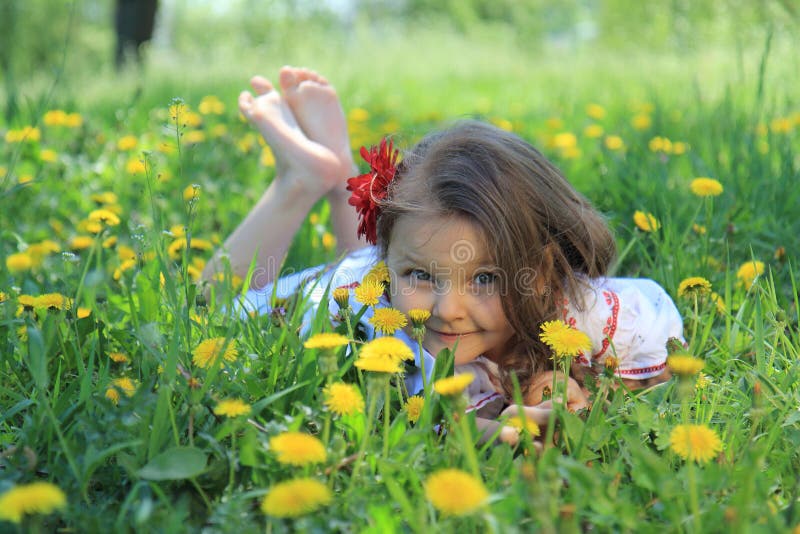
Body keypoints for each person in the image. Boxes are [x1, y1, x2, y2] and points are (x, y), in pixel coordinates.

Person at [202, 66, 684, 446]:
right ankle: (300, 181)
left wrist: (584, 385)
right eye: (422, 275)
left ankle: (339, 173)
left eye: (485, 280)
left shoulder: (585, 310)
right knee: (214, 310)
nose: (447, 310)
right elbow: (432, 420)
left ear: (540, 274)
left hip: (388, 268)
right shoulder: (376, 325)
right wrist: (489, 431)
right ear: (386, 261)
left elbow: (659, 354)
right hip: (341, 299)